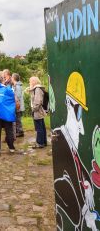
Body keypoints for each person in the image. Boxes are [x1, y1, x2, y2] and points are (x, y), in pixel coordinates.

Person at [52, 72, 99, 230]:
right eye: (77, 109)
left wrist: (86, 183)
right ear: (67, 103)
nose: (80, 118)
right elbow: (64, 186)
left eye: (81, 112)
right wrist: (85, 210)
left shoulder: (72, 144)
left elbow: (78, 171)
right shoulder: (59, 139)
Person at [28, 77, 47, 148]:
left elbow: (38, 101)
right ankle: (43, 142)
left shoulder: (37, 89)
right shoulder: (37, 88)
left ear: (33, 82)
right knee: (41, 126)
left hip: (37, 111)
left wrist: (34, 109)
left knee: (39, 127)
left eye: (30, 82)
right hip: (38, 110)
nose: (29, 83)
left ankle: (40, 143)